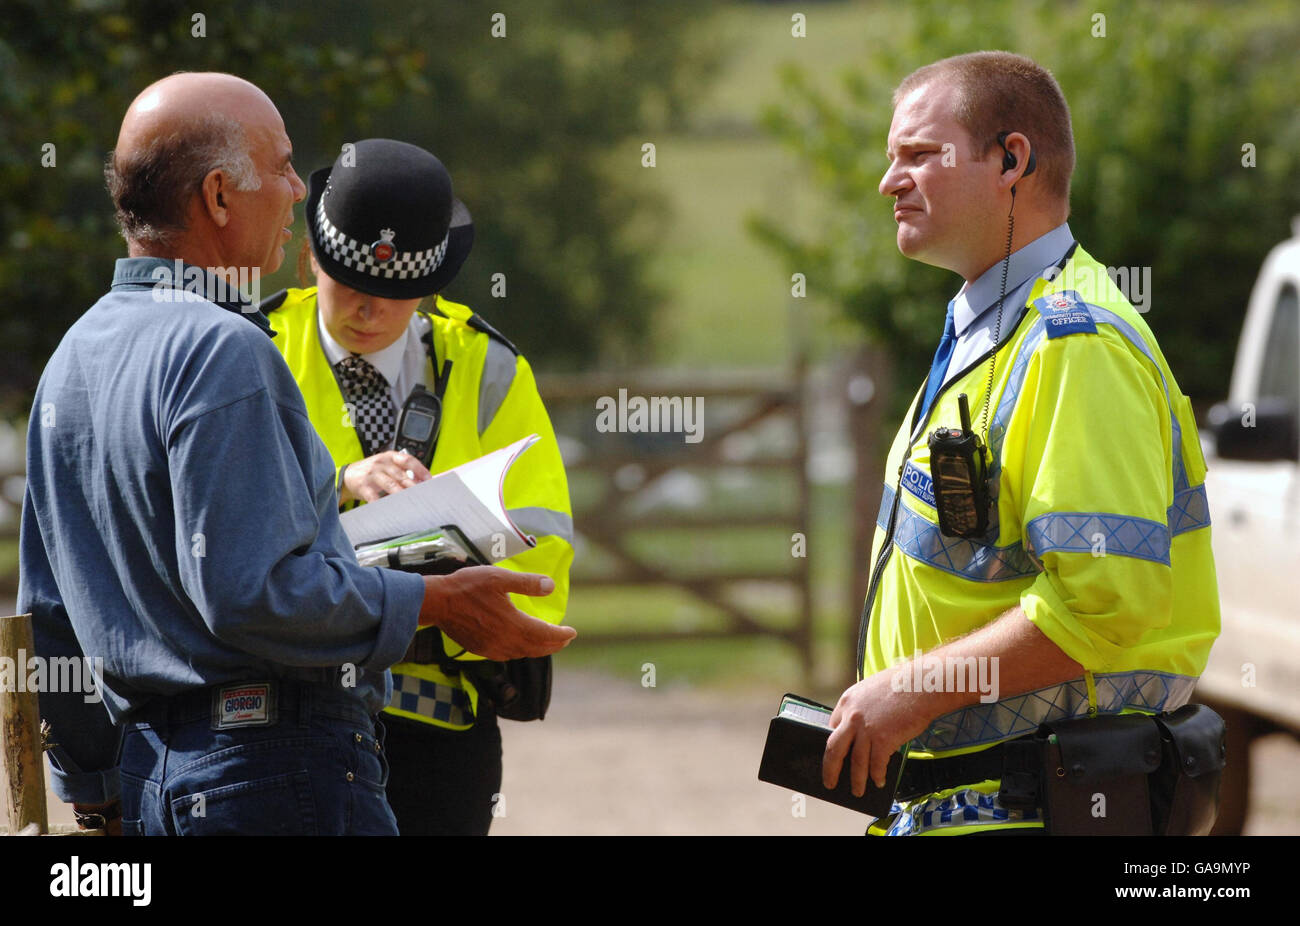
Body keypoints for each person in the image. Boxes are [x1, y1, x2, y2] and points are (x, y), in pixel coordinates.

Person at [17, 73, 575, 836]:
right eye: (280, 167)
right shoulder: (225, 350)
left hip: (154, 781)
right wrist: (436, 602)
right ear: (218, 197)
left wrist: (94, 790)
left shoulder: (71, 361)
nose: (292, 191)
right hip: (273, 775)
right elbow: (255, 595)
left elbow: (51, 612)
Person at [821, 51, 1220, 835]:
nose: (889, 181)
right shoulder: (996, 332)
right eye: (890, 158)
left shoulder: (1076, 344)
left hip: (1037, 808)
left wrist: (913, 692)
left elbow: (1105, 602)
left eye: (919, 155)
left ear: (1012, 159)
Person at [260, 138, 573, 835]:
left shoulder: (491, 369)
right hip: (290, 712)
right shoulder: (253, 351)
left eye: (394, 295)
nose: (368, 310)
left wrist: (448, 603)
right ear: (310, 255)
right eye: (349, 283)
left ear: (429, 288)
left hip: (439, 726)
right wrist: (339, 483)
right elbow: (220, 528)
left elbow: (546, 539)